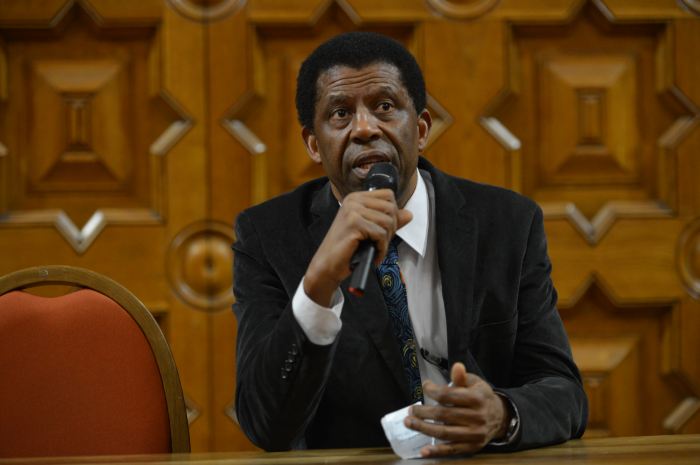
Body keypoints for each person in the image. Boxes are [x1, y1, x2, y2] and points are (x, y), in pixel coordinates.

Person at [232, 31, 587, 457]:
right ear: (313, 144)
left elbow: (564, 393)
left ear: (420, 129)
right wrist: (317, 287)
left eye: (384, 106)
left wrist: (502, 414)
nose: (365, 129)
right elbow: (266, 427)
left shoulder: (508, 223)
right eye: (341, 113)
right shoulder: (269, 236)